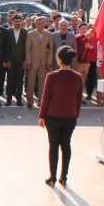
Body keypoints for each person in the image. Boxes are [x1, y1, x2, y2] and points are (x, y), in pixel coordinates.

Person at [38, 45, 83, 188]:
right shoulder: (78, 77)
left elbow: (46, 98)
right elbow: (78, 99)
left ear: (59, 59)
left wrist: (41, 116)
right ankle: (64, 177)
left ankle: (53, 177)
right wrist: (75, 115)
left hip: (52, 117)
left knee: (53, 146)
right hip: (70, 117)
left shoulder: (51, 76)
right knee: (66, 145)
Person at [25, 16, 54, 109]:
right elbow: (28, 49)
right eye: (38, 23)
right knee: (31, 82)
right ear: (35, 24)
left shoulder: (49, 34)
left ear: (45, 24)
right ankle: (30, 101)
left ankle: (41, 102)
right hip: (33, 62)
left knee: (43, 83)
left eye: (42, 23)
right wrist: (28, 61)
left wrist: (49, 62)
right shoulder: (30, 34)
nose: (40, 24)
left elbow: (51, 50)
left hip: (44, 62)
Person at [6, 14, 27, 106]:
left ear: (22, 21)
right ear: (12, 21)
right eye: (15, 21)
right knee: (10, 80)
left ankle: (19, 99)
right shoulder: (8, 32)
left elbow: (26, 47)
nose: (17, 23)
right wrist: (7, 60)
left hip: (21, 61)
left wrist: (25, 60)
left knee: (19, 81)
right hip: (11, 61)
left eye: (19, 21)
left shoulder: (25, 32)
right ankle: (9, 99)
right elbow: (5, 47)